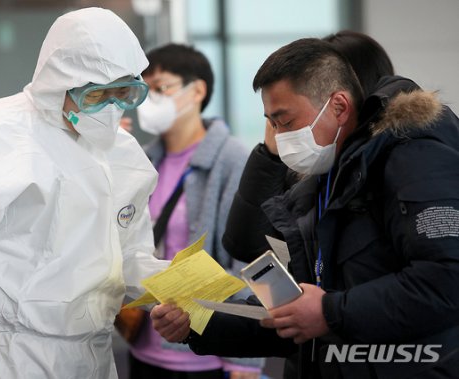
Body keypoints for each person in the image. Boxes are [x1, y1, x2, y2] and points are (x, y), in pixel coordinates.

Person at [150, 37, 459, 378]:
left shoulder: (416, 156)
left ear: (339, 105)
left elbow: (446, 280)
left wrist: (330, 311)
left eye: (285, 121)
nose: (280, 138)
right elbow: (293, 312)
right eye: (272, 124)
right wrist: (199, 322)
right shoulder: (323, 177)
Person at [0, 8, 170, 379]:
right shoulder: (3, 135)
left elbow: (129, 255)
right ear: (60, 83)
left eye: (123, 94)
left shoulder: (124, 154)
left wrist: (185, 290)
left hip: (95, 353)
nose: (110, 110)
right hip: (7, 356)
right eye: (96, 96)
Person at [126, 43, 263, 379]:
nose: (151, 100)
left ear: (197, 90)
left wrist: (245, 361)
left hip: (207, 352)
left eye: (161, 88)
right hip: (143, 342)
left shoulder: (232, 160)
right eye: (146, 90)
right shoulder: (139, 158)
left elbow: (247, 260)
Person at [223, 30, 396, 264]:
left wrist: (327, 303)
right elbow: (245, 245)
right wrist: (269, 156)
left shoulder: (394, 159)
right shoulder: (311, 158)